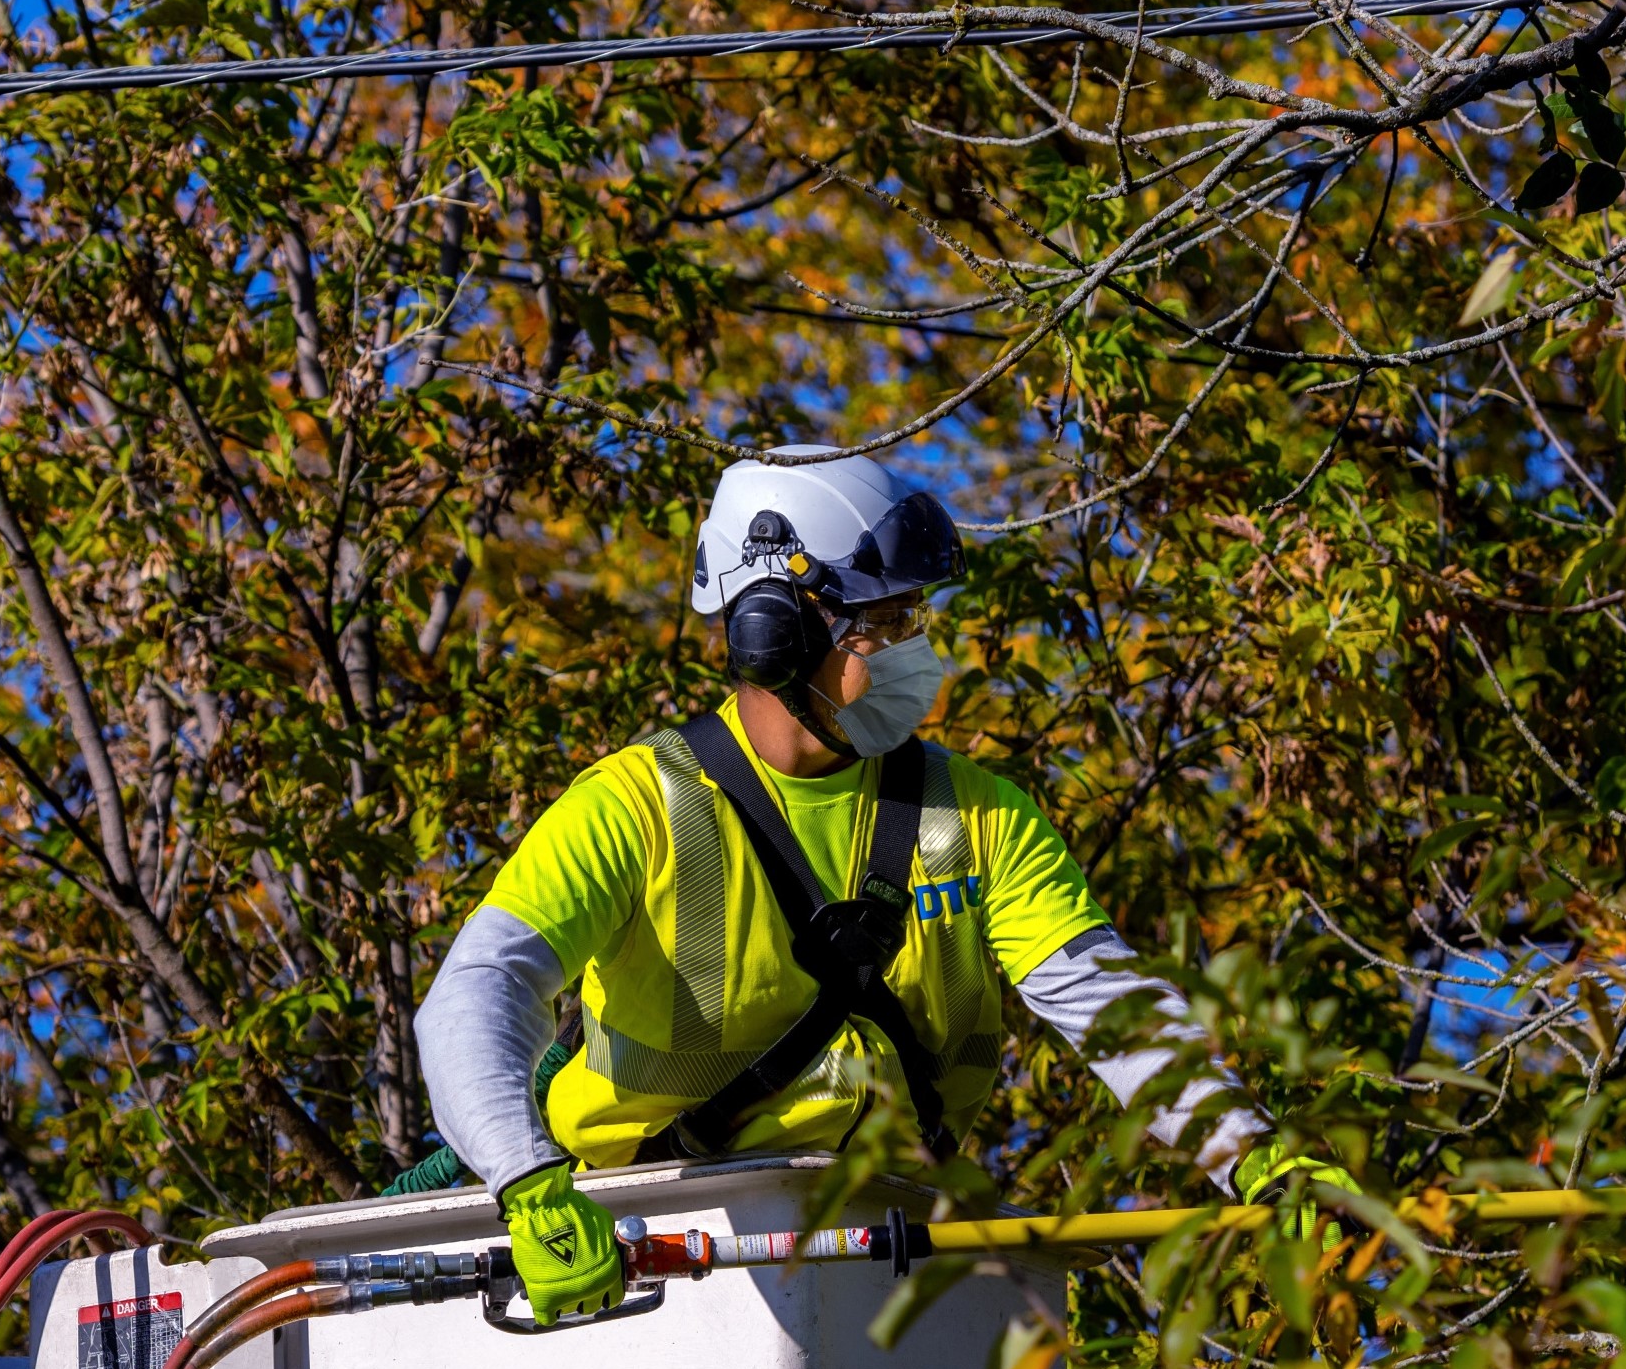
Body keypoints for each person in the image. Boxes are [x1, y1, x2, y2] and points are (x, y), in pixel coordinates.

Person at [414, 446, 1331, 1324]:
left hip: (882, 1250)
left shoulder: (978, 819)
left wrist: (1258, 1157)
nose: (911, 652)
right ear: (773, 632)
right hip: (636, 1246)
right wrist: (530, 1184)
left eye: (913, 621)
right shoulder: (637, 807)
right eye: (879, 625)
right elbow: (475, 995)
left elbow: (1112, 1008)